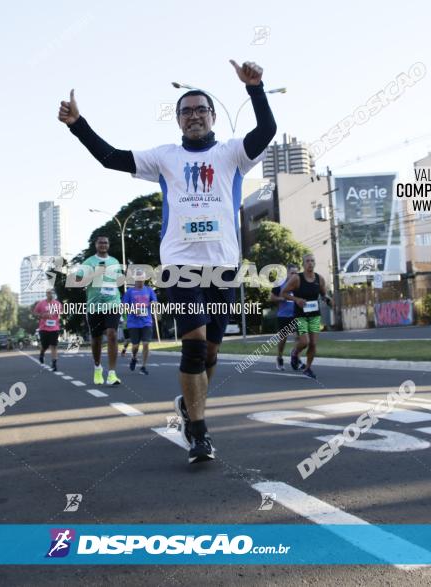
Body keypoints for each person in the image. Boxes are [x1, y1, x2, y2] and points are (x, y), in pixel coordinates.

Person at [59, 59, 277, 463]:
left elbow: (266, 131)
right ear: (178, 120)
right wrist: (78, 125)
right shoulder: (164, 157)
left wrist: (255, 88)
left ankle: (189, 408)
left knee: (211, 354)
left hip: (224, 268)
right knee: (193, 350)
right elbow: (111, 157)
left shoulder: (232, 153)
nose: (194, 116)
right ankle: (198, 433)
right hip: (179, 266)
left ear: (212, 117)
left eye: (200, 110)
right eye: (186, 111)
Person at [77, 235, 123, 385]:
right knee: (96, 339)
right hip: (94, 305)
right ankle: (97, 368)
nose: (103, 245)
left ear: (108, 245)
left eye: (105, 242)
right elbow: (78, 281)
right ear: (96, 245)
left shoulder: (114, 262)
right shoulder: (88, 262)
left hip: (113, 303)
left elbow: (119, 281)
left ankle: (112, 373)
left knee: (112, 334)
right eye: (100, 242)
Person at [281, 254, 333, 379]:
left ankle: (308, 368)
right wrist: (296, 299)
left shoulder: (319, 279)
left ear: (314, 263)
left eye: (312, 261)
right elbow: (284, 293)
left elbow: (323, 294)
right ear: (303, 264)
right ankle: (295, 353)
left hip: (314, 315)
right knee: (304, 342)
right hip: (301, 315)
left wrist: (328, 300)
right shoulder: (297, 279)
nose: (310, 263)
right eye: (307, 261)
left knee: (313, 343)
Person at [121, 272, 158, 375]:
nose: (140, 281)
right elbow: (124, 306)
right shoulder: (129, 292)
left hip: (147, 321)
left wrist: (153, 303)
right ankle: (134, 357)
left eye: (142, 279)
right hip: (133, 323)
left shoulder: (149, 290)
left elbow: (155, 301)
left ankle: (143, 366)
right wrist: (133, 310)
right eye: (138, 280)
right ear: (135, 280)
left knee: (146, 344)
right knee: (135, 346)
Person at [269, 263, 299, 371]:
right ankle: (280, 358)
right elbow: (271, 297)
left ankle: (295, 356)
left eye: (296, 273)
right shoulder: (280, 284)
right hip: (283, 316)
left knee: (299, 338)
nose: (294, 275)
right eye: (292, 273)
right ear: (287, 273)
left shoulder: (298, 284)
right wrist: (280, 299)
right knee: (283, 340)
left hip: (296, 315)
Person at [33, 289, 63, 371]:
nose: (51, 294)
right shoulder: (41, 303)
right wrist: (42, 315)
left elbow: (61, 312)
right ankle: (42, 354)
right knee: (45, 345)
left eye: (52, 293)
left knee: (54, 345)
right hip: (44, 328)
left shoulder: (57, 304)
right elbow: (35, 313)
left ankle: (54, 363)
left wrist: (58, 314)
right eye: (49, 293)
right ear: (46, 294)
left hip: (54, 328)